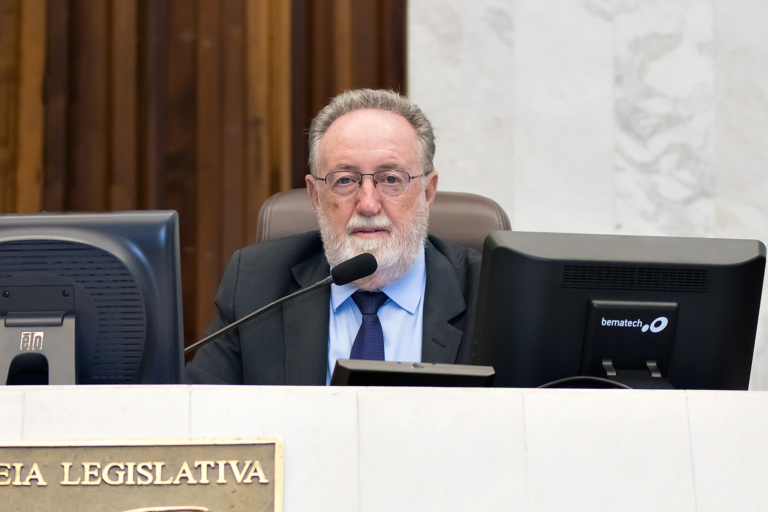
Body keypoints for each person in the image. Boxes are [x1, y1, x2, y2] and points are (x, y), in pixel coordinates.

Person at [185, 89, 481, 385]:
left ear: (427, 192)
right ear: (315, 196)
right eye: (344, 181)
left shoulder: (490, 293)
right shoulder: (256, 286)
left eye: (391, 179)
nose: (367, 204)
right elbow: (199, 413)